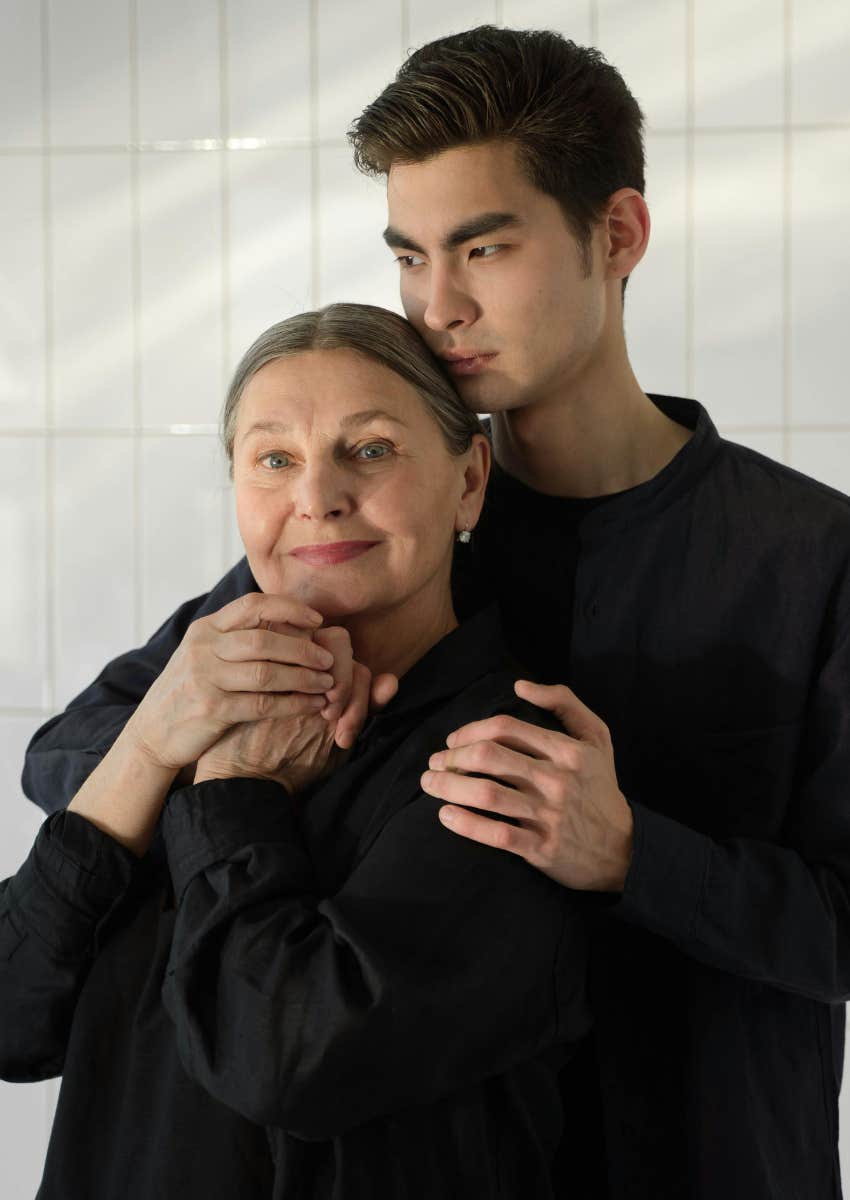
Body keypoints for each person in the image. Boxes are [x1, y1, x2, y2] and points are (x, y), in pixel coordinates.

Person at [21, 24, 850, 1200]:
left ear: (617, 234)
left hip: (700, 1158)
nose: (435, 304)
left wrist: (637, 855)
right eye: (410, 256)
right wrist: (246, 751)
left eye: (483, 248)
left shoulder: (810, 559)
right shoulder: (379, 530)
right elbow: (73, 751)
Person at [2, 303, 591, 1199]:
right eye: (274, 459)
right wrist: (152, 746)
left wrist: (235, 787)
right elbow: (13, 1023)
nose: (316, 497)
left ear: (470, 480)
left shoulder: (510, 764)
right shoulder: (190, 688)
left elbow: (282, 1060)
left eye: (371, 449)